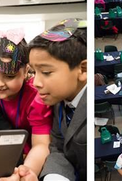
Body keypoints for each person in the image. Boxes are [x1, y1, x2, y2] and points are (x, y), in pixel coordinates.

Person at [18, 19, 87, 181]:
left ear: (83, 70)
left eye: (46, 72)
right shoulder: (58, 101)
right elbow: (58, 147)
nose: (35, 83)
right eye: (34, 72)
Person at [0, 32, 53, 177]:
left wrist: (25, 172)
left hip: (29, 158)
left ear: (26, 71)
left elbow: (41, 144)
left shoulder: (37, 99)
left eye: (9, 76)